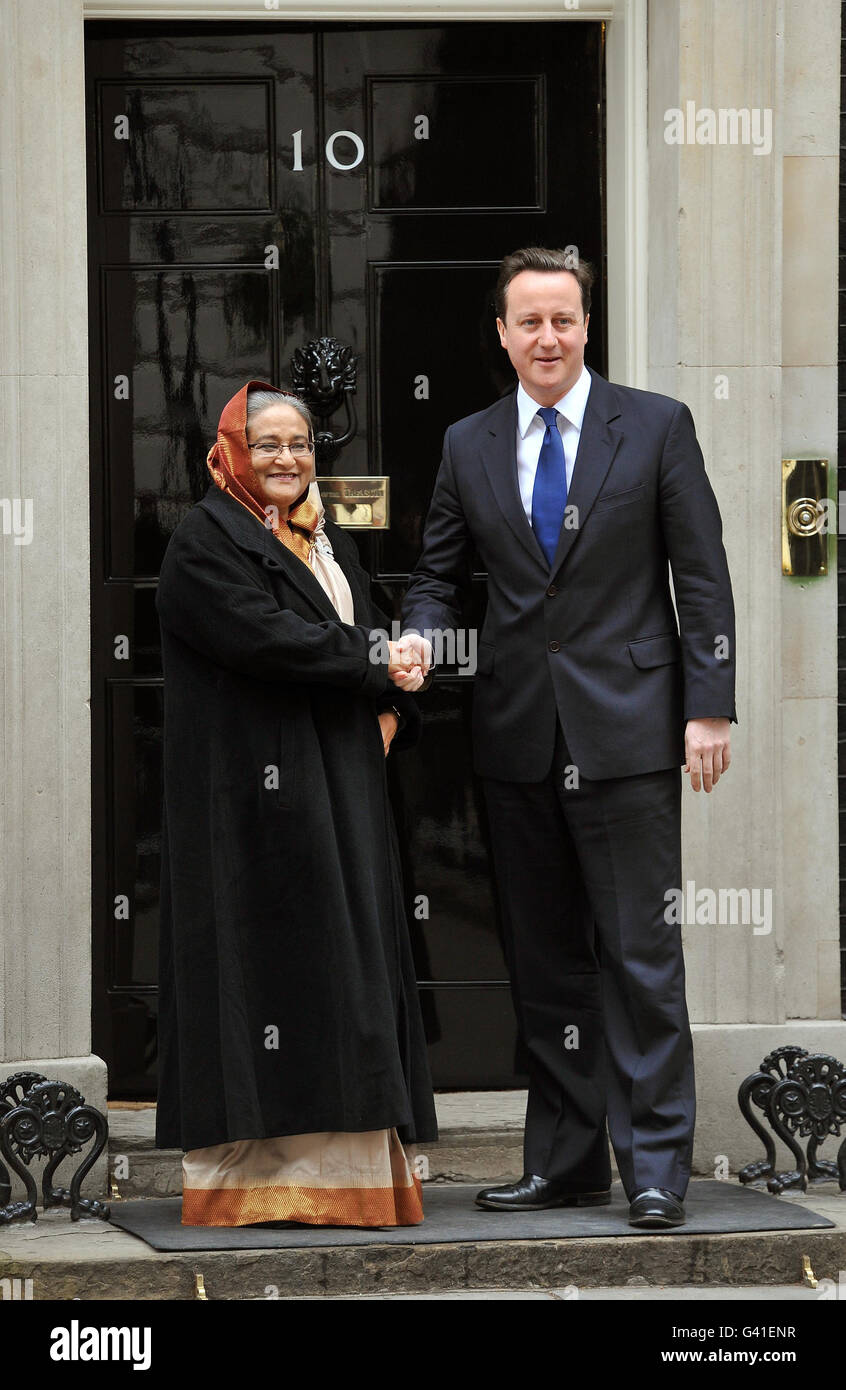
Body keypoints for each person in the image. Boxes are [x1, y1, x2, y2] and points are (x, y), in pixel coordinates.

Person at [394, 247, 736, 1229]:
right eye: (529, 321)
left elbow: (701, 574)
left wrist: (707, 704)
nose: (548, 337)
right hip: (516, 737)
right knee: (545, 965)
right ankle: (567, 1160)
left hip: (627, 735)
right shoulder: (468, 443)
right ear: (502, 335)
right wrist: (417, 633)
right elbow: (438, 574)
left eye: (564, 320)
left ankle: (658, 1164)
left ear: (588, 328)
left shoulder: (657, 428)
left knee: (638, 955)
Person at [154, 379, 437, 1227]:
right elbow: (268, 638)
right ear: (230, 452)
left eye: (299, 445)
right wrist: (375, 665)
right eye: (268, 444)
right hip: (253, 805)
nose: (286, 459)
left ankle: (346, 1180)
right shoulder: (205, 541)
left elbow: (366, 629)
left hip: (337, 787)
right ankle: (257, 1185)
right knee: (269, 980)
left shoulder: (326, 538)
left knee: (343, 974)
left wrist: (398, 689)